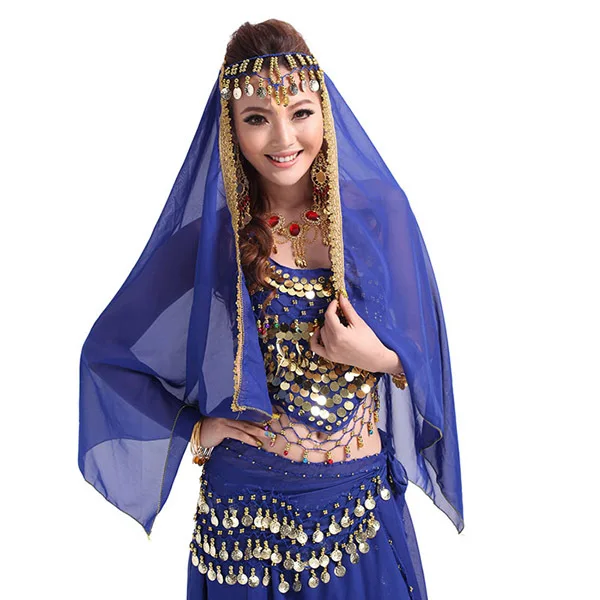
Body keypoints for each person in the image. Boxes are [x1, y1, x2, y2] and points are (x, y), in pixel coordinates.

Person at [78, 19, 464, 600]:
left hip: (357, 510)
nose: (283, 137)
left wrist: (379, 358)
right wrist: (196, 429)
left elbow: (426, 350)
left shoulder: (379, 214)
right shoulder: (213, 238)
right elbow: (107, 354)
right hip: (243, 525)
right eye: (257, 117)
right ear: (230, 126)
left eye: (301, 112)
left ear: (324, 111)